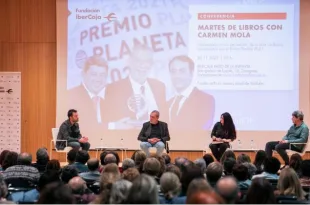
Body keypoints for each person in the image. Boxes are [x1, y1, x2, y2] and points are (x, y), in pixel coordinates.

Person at [103, 45, 166, 130]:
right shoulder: (114, 89)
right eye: (138, 60)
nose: (143, 65)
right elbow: (109, 122)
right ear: (129, 62)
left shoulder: (159, 86)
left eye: (148, 61)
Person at [168, 55, 215, 130]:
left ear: (191, 73)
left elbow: (201, 129)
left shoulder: (205, 100)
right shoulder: (168, 103)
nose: (177, 75)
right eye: (173, 71)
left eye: (182, 71)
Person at [68, 56, 108, 136]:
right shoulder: (71, 96)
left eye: (102, 75)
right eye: (94, 74)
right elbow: (86, 126)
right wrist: (113, 126)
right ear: (83, 74)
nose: (98, 79)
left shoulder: (110, 98)